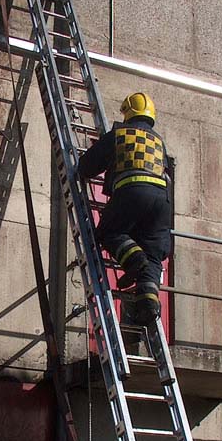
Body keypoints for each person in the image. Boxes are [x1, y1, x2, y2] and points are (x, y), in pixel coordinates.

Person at [77, 92, 171, 326]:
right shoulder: (159, 141)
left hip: (132, 191)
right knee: (153, 253)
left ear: (127, 112)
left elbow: (87, 168)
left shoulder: (119, 134)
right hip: (162, 201)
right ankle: (148, 303)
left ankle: (134, 260)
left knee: (109, 233)